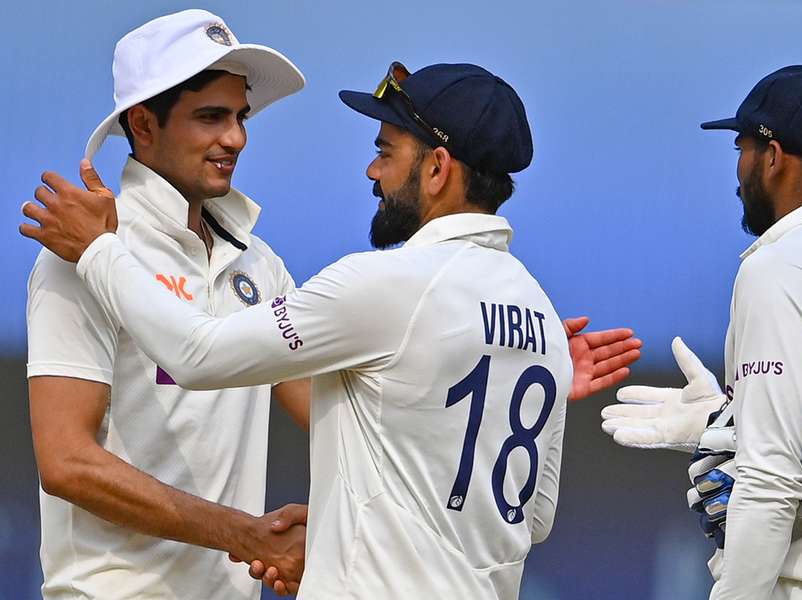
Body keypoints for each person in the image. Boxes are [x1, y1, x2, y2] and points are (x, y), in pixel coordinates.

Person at [20, 60, 637, 599]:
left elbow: (197, 354)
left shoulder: (349, 277)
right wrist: (484, 360)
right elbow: (534, 519)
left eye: (385, 150)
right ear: (145, 125)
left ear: (437, 169)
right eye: (213, 116)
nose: (371, 171)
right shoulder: (534, 313)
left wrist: (100, 254)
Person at [24, 10, 312, 598]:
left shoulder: (262, 265)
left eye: (240, 116)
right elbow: (66, 463)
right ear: (143, 124)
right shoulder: (78, 253)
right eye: (211, 116)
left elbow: (335, 414)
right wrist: (247, 536)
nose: (235, 138)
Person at [602, 66, 802, 599]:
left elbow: (771, 480)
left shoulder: (781, 266)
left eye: (741, 148)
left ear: (773, 156)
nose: (737, 170)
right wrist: (733, 418)